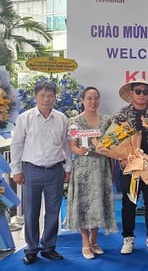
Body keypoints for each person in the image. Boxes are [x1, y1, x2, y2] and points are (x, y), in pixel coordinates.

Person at [9, 81, 72, 265]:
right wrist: (16, 170)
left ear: (55, 97)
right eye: (43, 95)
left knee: (53, 212)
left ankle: (49, 248)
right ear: (36, 97)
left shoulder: (62, 118)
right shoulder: (25, 118)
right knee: (30, 212)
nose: (46, 99)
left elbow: (66, 146)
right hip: (31, 171)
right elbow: (17, 144)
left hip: (55, 171)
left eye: (50, 95)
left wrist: (67, 168)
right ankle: (31, 249)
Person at [65, 87, 118, 259]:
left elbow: (111, 146)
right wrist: (77, 150)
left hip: (101, 168)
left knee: (98, 203)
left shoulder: (107, 120)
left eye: (96, 98)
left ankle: (94, 239)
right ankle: (85, 241)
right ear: (82, 100)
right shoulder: (74, 121)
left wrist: (112, 167)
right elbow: (72, 145)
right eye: (89, 98)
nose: (93, 102)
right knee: (83, 204)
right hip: (82, 169)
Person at [113, 79, 148, 254]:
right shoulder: (120, 115)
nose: (141, 94)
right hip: (130, 167)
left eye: (145, 91)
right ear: (131, 93)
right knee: (129, 203)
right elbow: (113, 141)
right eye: (138, 91)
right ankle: (128, 238)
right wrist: (121, 159)